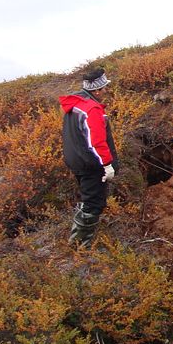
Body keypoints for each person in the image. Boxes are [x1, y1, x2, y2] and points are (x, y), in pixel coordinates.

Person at [59, 68, 118, 247]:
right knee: (94, 203)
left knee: (88, 198)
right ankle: (80, 245)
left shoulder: (76, 104)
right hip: (91, 164)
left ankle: (80, 235)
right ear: (97, 90)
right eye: (104, 88)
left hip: (76, 160)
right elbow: (96, 141)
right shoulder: (91, 109)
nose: (106, 91)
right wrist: (107, 165)